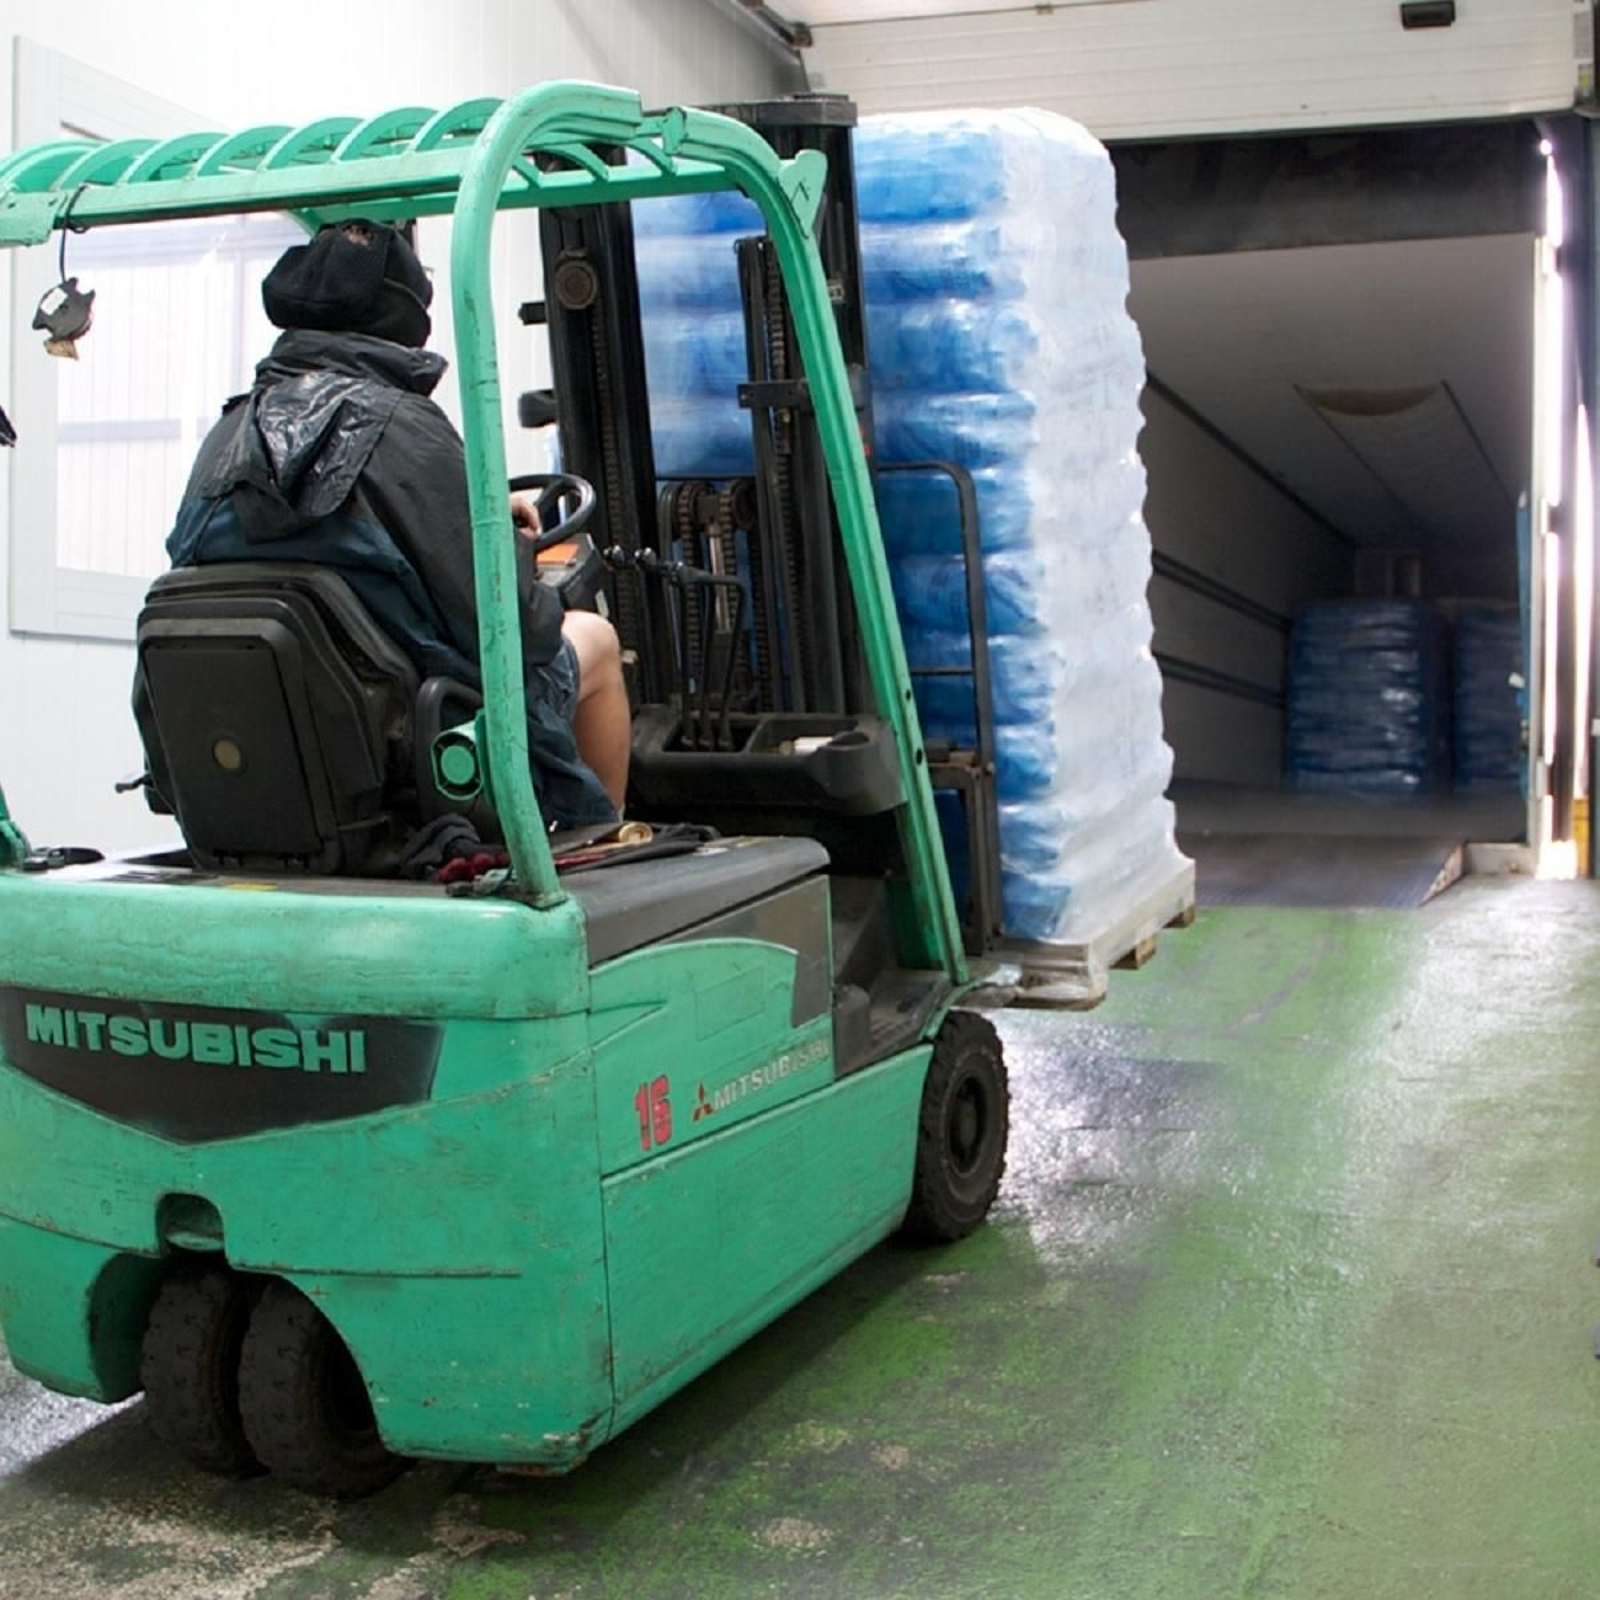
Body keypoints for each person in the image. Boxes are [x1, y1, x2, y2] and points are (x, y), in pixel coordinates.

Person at [166, 219, 628, 829]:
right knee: (593, 638)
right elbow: (516, 631)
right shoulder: (405, 429)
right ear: (407, 319)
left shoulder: (228, 434)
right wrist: (513, 550)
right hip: (413, 735)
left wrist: (481, 521)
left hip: (265, 741)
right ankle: (609, 841)